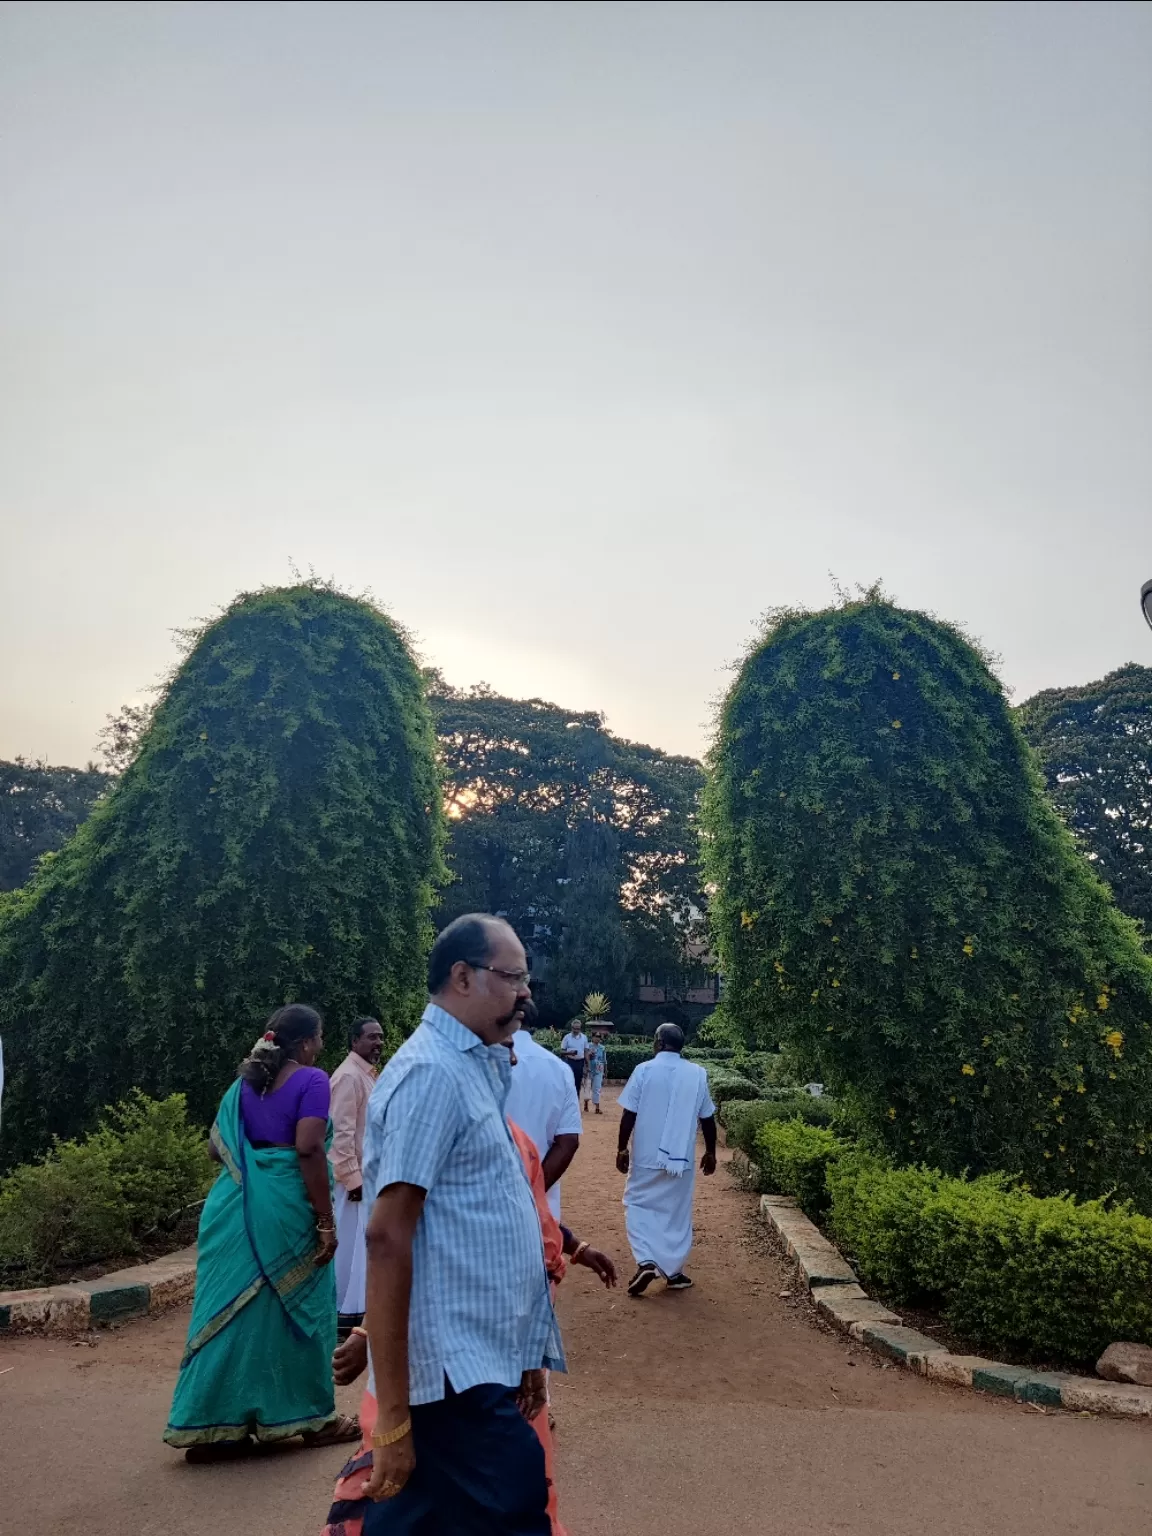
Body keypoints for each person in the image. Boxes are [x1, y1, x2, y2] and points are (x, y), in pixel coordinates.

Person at [356, 913, 565, 1532]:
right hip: (449, 1370)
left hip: (476, 1359)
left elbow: (479, 1225)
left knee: (428, 1516)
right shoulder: (432, 1074)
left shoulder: (472, 1068)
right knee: (514, 1500)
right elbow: (386, 1235)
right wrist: (392, 1421)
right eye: (513, 977)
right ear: (462, 977)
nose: (526, 993)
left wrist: (527, 1351)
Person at [321, 1098, 616, 1536]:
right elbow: (403, 1242)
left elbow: (530, 1224)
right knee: (430, 1491)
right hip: (444, 1356)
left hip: (505, 1353)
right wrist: (369, 1330)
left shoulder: (511, 1138)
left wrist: (574, 1249)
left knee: (499, 1490)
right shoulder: (432, 1122)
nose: (510, 1057)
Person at [164, 1004, 360, 1458]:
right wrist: (325, 1222)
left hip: (232, 1208)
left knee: (229, 1314)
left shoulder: (242, 1086)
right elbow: (309, 1148)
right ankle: (313, 1420)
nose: (322, 1045)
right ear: (307, 1042)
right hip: (287, 1209)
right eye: (321, 1036)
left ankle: (214, 1424)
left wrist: (255, 1161)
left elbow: (217, 1150)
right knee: (304, 1311)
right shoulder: (312, 1080)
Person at [615, 1022, 717, 1297]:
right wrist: (711, 1152)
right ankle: (673, 1273)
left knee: (636, 1204)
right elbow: (707, 1117)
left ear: (658, 1043)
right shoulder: (697, 1074)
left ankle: (646, 1260)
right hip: (680, 1160)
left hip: (646, 1157)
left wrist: (622, 1148)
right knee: (676, 1215)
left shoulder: (644, 1070)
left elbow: (629, 1115)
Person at [330, 1016, 386, 1333]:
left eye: (380, 1037)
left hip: (366, 1178)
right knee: (349, 1249)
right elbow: (341, 1134)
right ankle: (341, 1315)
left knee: (359, 1250)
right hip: (352, 1181)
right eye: (371, 1038)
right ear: (354, 1042)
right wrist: (353, 1180)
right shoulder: (348, 1077)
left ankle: (355, 1315)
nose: (378, 1043)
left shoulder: (365, 1076)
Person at [504, 1000, 582, 1219]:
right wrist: (533, 1193)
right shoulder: (559, 1068)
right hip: (542, 1208)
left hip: (487, 1207)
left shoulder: (480, 1059)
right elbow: (568, 1142)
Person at [560, 1018, 590, 1098]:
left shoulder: (584, 1038)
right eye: (575, 1028)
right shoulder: (567, 1037)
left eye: (578, 1029)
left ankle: (576, 1101)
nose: (576, 1030)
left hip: (580, 1063)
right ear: (571, 1028)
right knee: (569, 1082)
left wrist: (588, 1065)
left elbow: (586, 1051)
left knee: (578, 1083)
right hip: (570, 1062)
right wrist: (570, 1053)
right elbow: (561, 1052)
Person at [584, 1031, 608, 1114]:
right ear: (592, 1037)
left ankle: (597, 1107)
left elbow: (604, 1060)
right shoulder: (588, 1046)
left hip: (599, 1070)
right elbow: (585, 1057)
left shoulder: (602, 1048)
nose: (597, 1038)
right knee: (587, 1087)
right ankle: (586, 1104)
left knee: (597, 1088)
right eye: (596, 1036)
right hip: (589, 1069)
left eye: (599, 1037)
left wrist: (605, 1071)